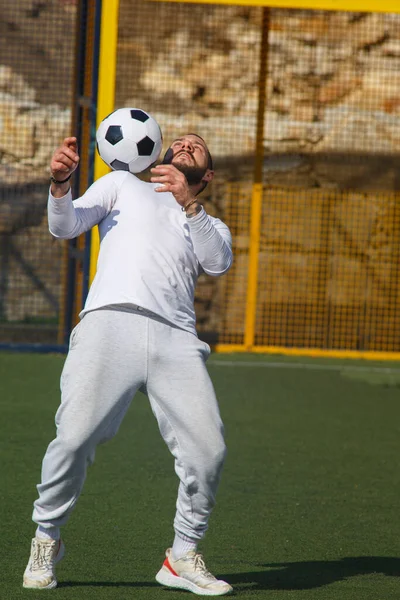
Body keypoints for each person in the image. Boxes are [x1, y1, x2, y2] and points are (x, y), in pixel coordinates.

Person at [22, 131, 234, 596]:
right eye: (178, 141)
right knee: (74, 439)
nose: (185, 144)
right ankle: (46, 538)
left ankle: (182, 554)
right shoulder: (121, 183)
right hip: (108, 323)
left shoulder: (210, 223)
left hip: (176, 338)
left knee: (208, 451)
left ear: (208, 175)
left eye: (196, 146)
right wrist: (60, 186)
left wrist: (188, 205)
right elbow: (65, 226)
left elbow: (217, 263)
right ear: (157, 153)